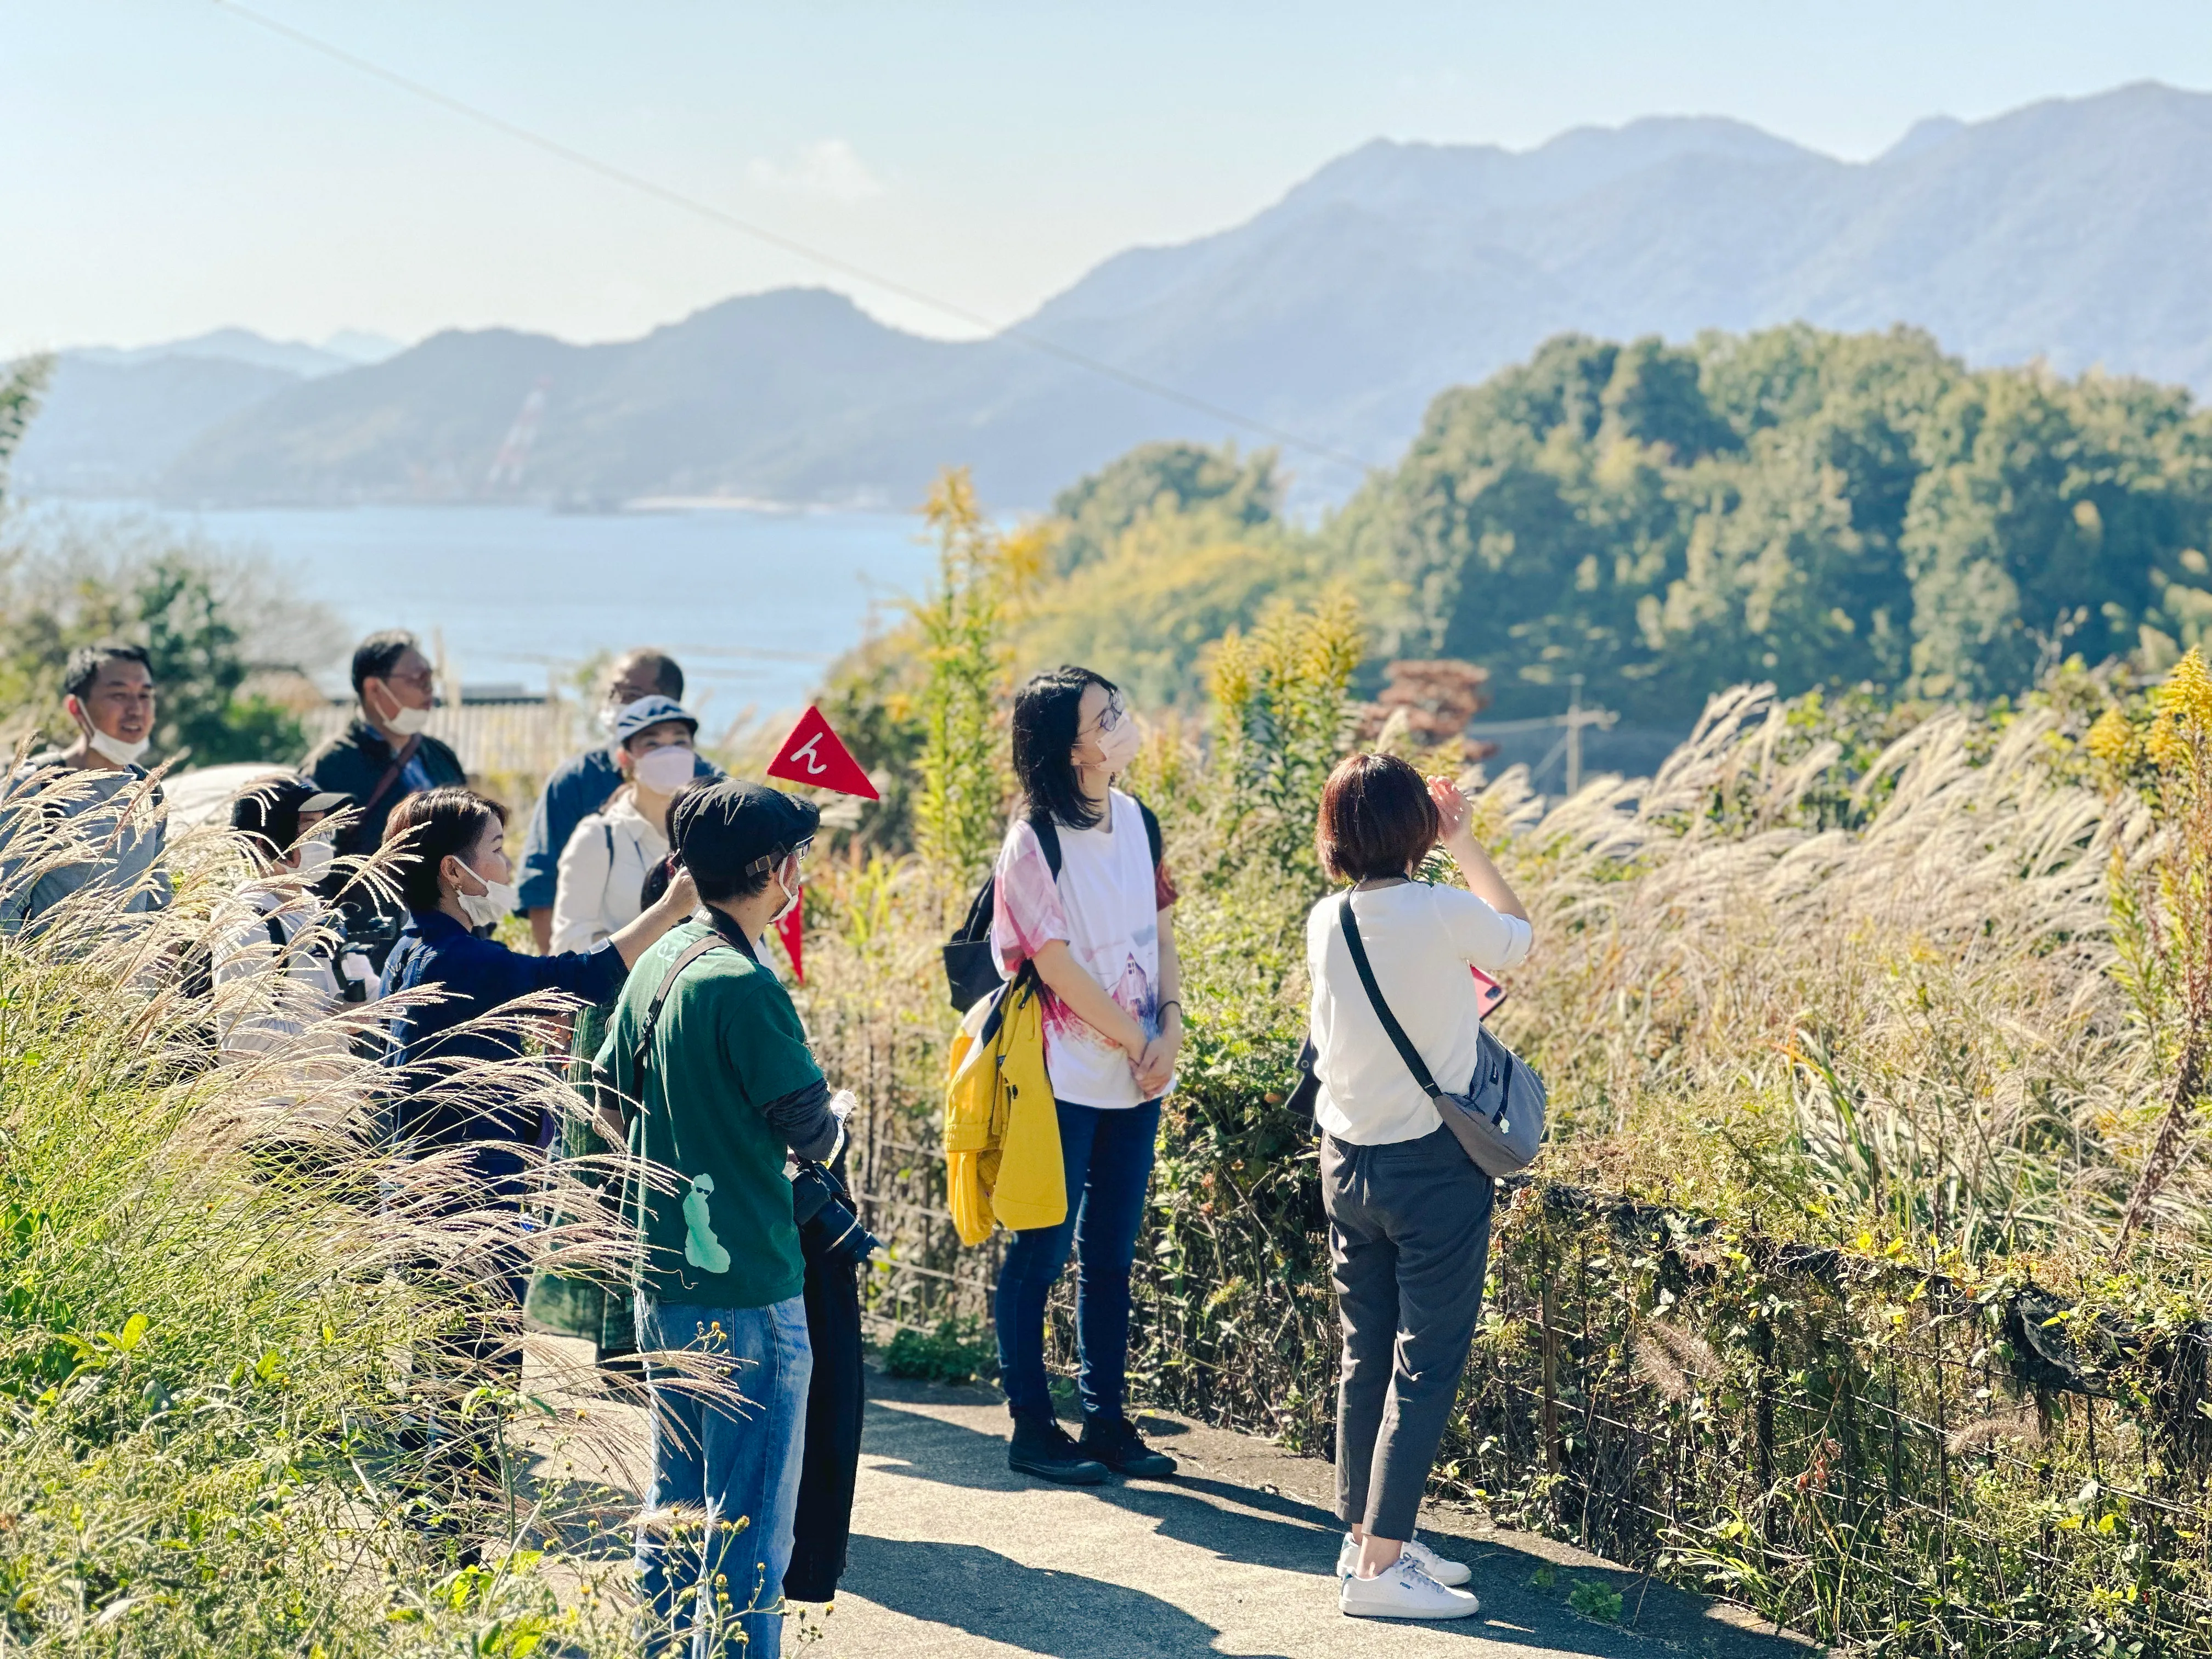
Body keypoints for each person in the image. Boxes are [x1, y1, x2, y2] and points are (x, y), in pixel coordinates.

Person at [597, 779, 845, 1658]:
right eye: (798, 861)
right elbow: (811, 1128)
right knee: (749, 1536)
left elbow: (602, 1091)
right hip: (747, 1284)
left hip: (661, 1275)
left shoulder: (659, 963)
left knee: (676, 1513)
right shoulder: (743, 985)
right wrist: (831, 1125)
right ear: (774, 870)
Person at [1305, 752, 1532, 1621]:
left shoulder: (1328, 920)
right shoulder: (1441, 911)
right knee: (1424, 1365)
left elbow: (1327, 1041)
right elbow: (1519, 934)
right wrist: (1464, 843)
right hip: (1431, 1167)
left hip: (1346, 1161)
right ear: (1418, 831)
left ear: (1334, 838)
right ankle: (1379, 1572)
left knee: (1367, 1356)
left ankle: (1364, 1538)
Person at [989, 667, 1182, 1487]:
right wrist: (1140, 1037)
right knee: (1041, 1249)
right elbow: (1055, 965)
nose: (1124, 724)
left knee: (1111, 1254)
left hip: (1139, 1073)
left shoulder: (1142, 821)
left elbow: (1167, 930)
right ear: (1072, 748)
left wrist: (1169, 1026)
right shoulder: (1033, 841)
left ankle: (1106, 1419)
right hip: (1062, 1075)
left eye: (1119, 710)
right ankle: (1033, 1425)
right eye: (1107, 717)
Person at [377, 786, 699, 1279]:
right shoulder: (461, 960)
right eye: (498, 850)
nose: (508, 868)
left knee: (441, 1352)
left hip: (422, 1192)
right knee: (479, 1350)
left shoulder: (408, 950)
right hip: (468, 1201)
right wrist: (669, 910)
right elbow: (581, 976)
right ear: (451, 871)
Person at [520, 650, 718, 952]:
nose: (616, 701)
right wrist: (554, 985)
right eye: (613, 692)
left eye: (631, 694)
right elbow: (543, 890)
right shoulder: (576, 784)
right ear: (626, 759)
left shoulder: (715, 789)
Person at [306, 631, 466, 957]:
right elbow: (309, 868)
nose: (428, 687)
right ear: (374, 688)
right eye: (416, 678)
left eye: (430, 677)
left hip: (453, 943)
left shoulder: (439, 757)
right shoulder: (331, 767)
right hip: (371, 947)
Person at [0, 641, 170, 935]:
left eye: (145, 696)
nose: (136, 710)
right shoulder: (39, 786)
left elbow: (157, 897)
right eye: (119, 695)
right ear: (76, 708)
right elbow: (6, 905)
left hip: (131, 981)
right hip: (51, 980)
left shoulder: (149, 790)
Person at [216, 776, 365, 1059]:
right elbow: (242, 1040)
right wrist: (334, 1025)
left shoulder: (315, 910)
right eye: (311, 828)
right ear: (265, 845)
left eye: (325, 828)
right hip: (274, 1100)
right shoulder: (247, 924)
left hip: (322, 1095)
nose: (324, 840)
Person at [548, 695, 701, 955]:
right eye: (652, 744)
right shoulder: (598, 837)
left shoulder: (709, 832)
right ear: (624, 758)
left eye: (679, 742)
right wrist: (663, 948)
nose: (669, 753)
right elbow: (568, 942)